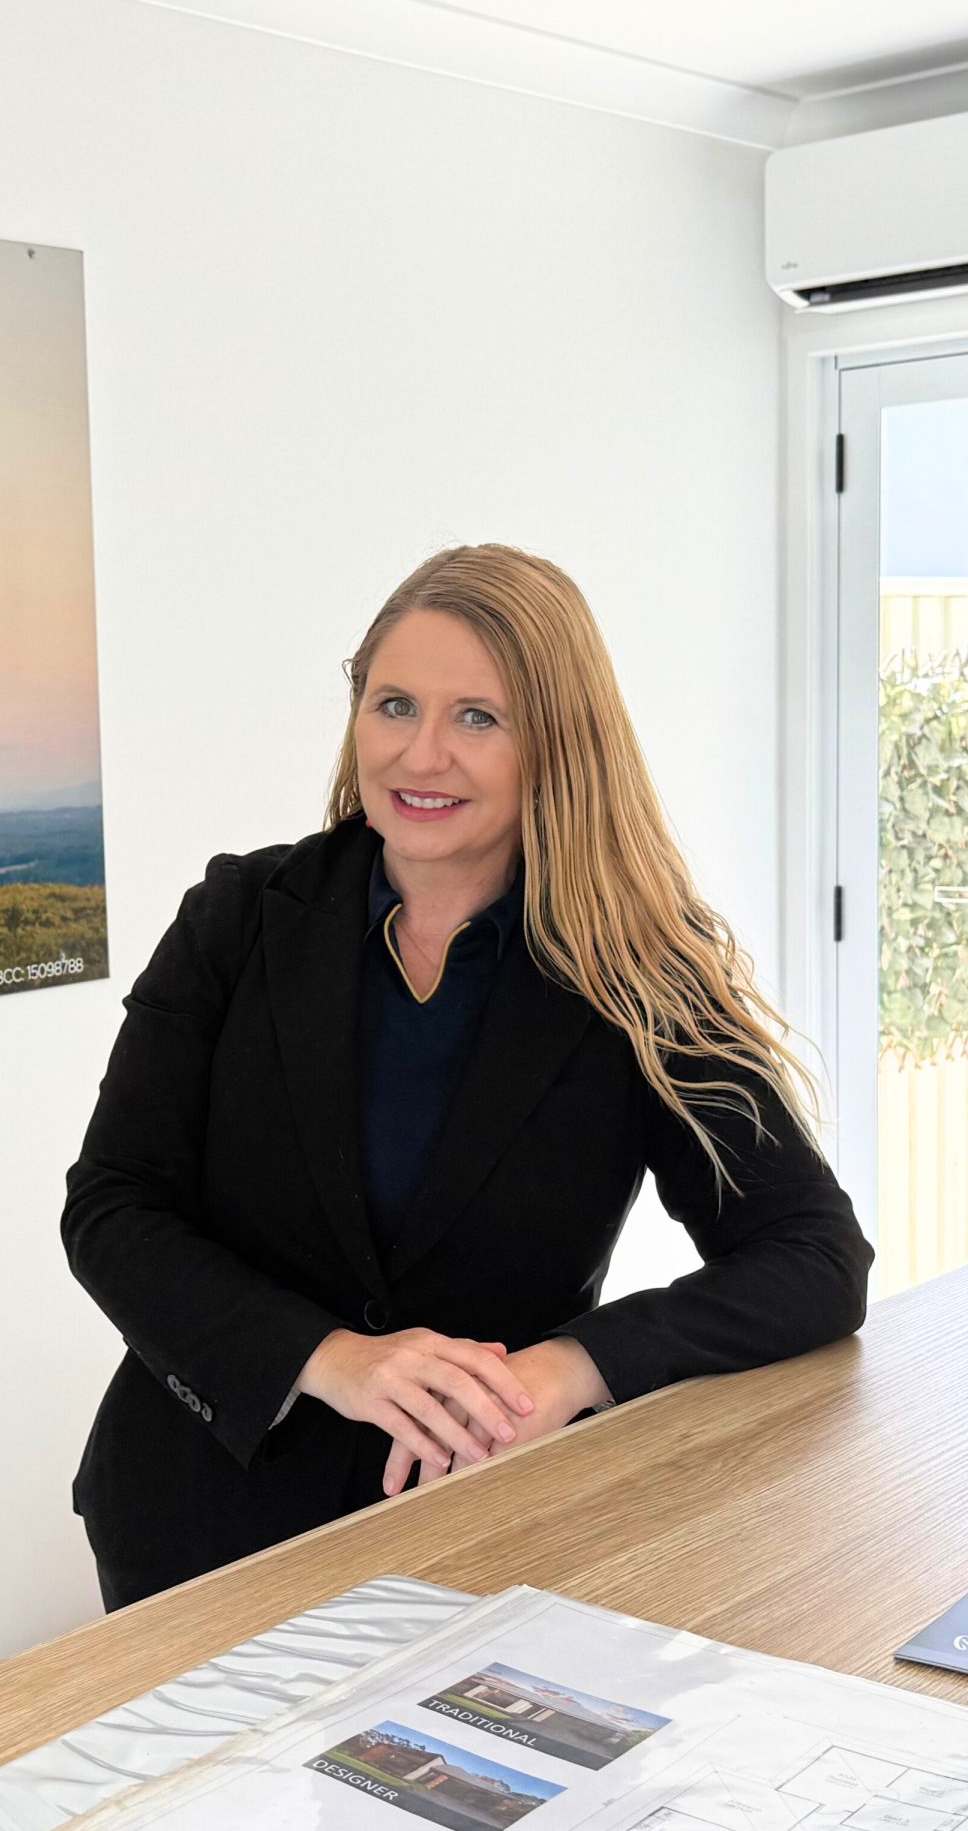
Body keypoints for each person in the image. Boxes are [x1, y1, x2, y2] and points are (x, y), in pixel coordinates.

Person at [62, 542, 874, 1614]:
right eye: (394, 705)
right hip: (199, 1522)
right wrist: (332, 1358)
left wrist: (568, 1368)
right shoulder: (235, 920)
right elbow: (113, 1208)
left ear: (558, 743)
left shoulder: (640, 973)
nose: (422, 754)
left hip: (483, 1522)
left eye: (478, 718)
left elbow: (814, 1256)